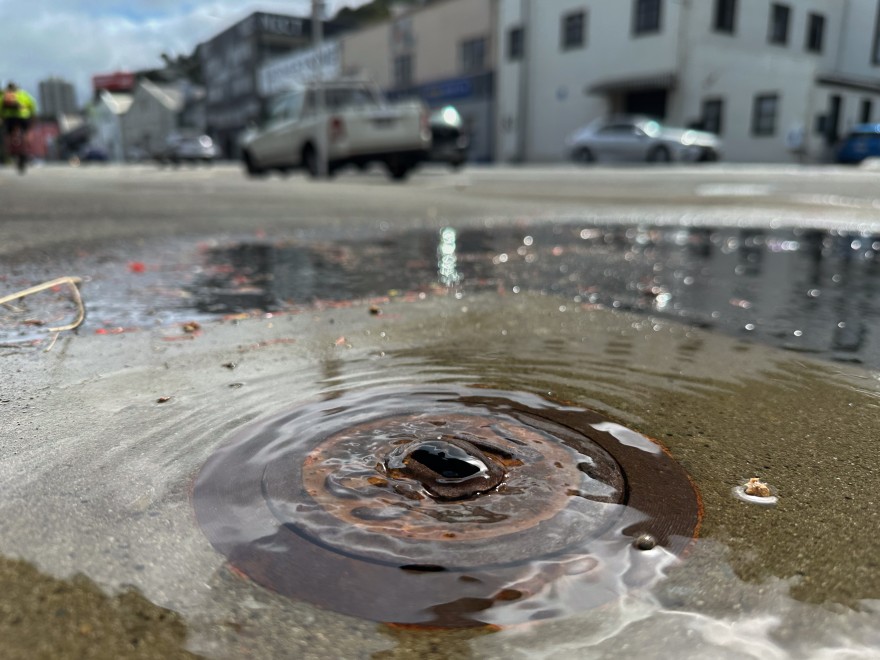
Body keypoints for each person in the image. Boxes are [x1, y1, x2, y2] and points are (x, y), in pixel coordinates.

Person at [1, 82, 38, 170]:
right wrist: (33, 115)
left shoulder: (4, 96)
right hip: (23, 117)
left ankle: (9, 150)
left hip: (9, 118)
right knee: (26, 133)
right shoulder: (23, 94)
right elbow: (33, 104)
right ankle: (26, 149)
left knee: (8, 134)